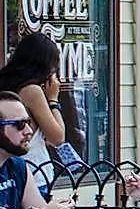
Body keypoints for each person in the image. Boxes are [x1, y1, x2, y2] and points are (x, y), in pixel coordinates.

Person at [1, 31, 81, 187]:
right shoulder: (31, 90)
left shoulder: (7, 83)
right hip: (34, 173)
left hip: (10, 173)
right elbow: (57, 137)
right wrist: (53, 100)